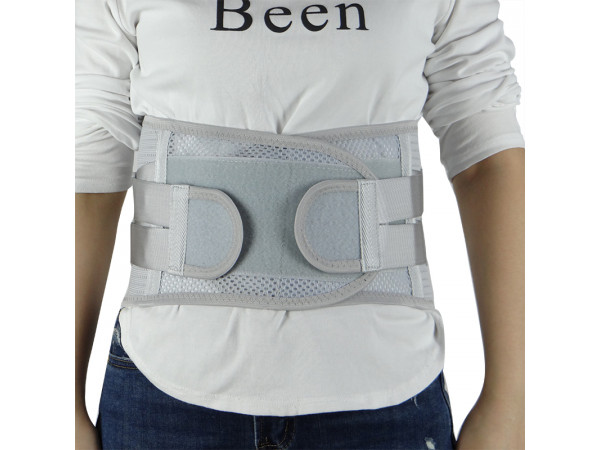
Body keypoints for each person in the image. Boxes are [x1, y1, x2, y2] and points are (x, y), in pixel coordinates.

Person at [75, 0, 525, 448]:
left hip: (386, 393)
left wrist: (511, 403)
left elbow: (487, 153)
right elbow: (90, 167)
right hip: (166, 392)